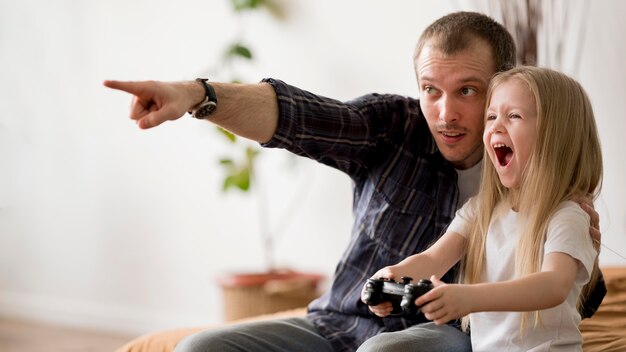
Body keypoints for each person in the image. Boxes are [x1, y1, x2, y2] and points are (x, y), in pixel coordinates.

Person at [103, 11, 604, 352]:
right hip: (338, 324)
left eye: (468, 92)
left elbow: (560, 294)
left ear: (501, 85)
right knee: (198, 348)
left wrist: (589, 260)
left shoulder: (547, 199)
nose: (445, 113)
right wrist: (196, 95)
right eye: (431, 90)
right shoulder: (395, 127)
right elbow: (298, 116)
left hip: (447, 336)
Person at [364, 66, 602, 351]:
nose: (495, 127)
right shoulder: (481, 210)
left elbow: (553, 285)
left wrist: (468, 298)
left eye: (513, 116)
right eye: (491, 117)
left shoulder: (568, 216)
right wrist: (393, 274)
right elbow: (432, 259)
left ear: (557, 136)